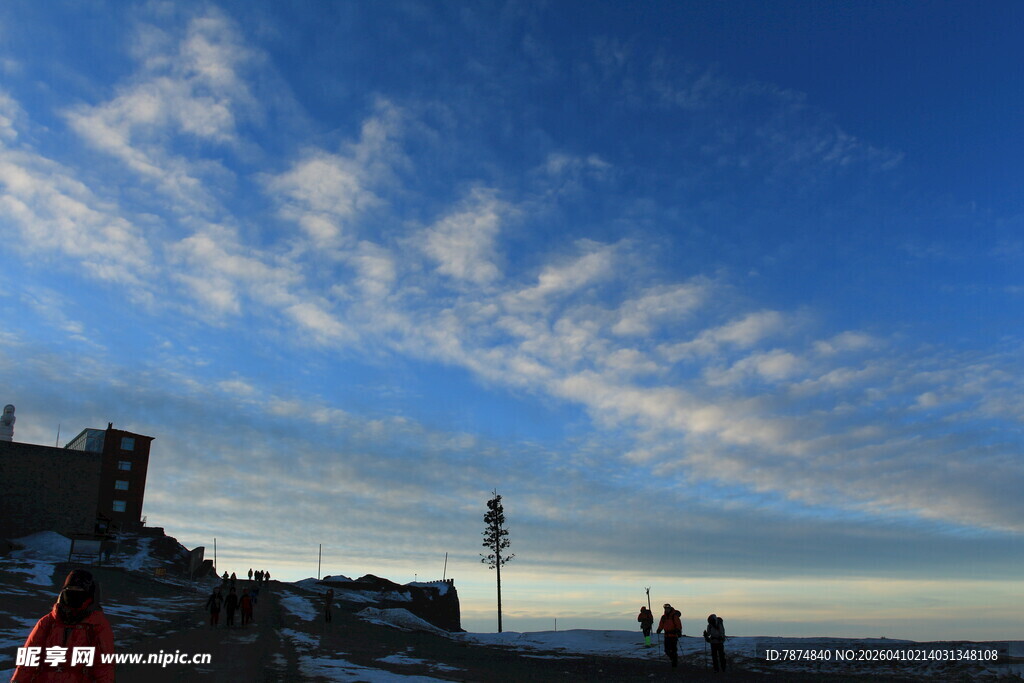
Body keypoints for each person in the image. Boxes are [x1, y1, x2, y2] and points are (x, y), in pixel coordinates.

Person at [12, 569, 115, 682]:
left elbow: (104, 664)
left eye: (79, 589)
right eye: (69, 589)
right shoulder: (48, 622)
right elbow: (29, 658)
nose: (73, 593)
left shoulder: (96, 624)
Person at [656, 603, 682, 668]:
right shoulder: (663, 617)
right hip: (667, 636)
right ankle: (673, 659)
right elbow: (661, 624)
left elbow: (678, 625)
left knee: (673, 650)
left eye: (667, 608)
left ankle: (674, 662)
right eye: (665, 608)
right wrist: (659, 629)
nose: (666, 609)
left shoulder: (674, 616)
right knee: (667, 650)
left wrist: (678, 631)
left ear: (670, 608)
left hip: (673, 636)